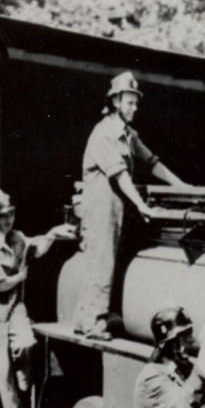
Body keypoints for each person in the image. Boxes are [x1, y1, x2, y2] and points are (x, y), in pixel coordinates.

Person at [73, 71, 188, 340]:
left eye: (136, 103)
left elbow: (151, 162)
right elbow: (120, 175)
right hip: (100, 213)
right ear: (115, 102)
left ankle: (85, 319)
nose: (134, 108)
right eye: (129, 103)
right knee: (101, 264)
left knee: (107, 263)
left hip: (115, 212)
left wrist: (182, 186)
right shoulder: (104, 133)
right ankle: (92, 324)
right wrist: (142, 205)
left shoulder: (128, 134)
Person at [0, 189, 74, 408]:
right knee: (2, 367)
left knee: (26, 343)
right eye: (3, 215)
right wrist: (21, 277)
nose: (9, 219)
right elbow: (1, 284)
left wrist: (52, 233)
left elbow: (36, 248)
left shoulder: (16, 237)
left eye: (12, 214)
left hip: (12, 303)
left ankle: (23, 379)